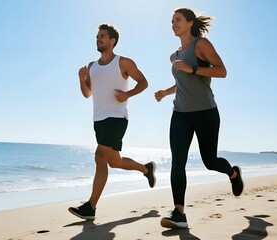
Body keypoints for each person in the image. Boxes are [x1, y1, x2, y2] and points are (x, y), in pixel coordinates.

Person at [154, 8, 244, 229]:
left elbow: (222, 71)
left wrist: (192, 68)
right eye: (171, 20)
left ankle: (233, 173)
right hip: (180, 114)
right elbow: (183, 83)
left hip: (205, 112)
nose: (173, 24)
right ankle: (179, 213)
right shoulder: (174, 55)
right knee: (178, 161)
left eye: (178, 20)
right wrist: (166, 93)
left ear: (190, 23)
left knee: (210, 161)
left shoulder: (200, 45)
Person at [68, 24, 156, 220]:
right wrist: (82, 79)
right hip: (98, 119)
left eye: (102, 36)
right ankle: (146, 169)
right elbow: (87, 93)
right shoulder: (92, 66)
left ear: (112, 41)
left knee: (100, 157)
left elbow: (143, 82)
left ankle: (91, 207)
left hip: (116, 118)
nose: (98, 39)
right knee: (114, 162)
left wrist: (128, 94)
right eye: (97, 36)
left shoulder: (123, 62)